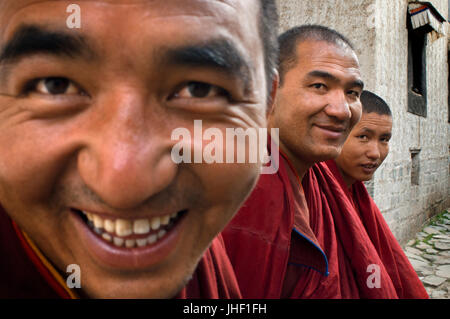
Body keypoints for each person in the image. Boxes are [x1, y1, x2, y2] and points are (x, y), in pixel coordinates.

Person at [0, 0, 279, 298]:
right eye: (55, 85)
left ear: (267, 106)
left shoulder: (204, 251)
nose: (123, 185)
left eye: (199, 90)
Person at [223, 24, 364, 298]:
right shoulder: (247, 189)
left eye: (352, 93)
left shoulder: (312, 174)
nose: (342, 110)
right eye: (320, 86)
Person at [306, 90, 428, 298]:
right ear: (336, 133)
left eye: (384, 139)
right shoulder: (312, 192)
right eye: (363, 137)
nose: (375, 153)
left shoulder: (356, 195)